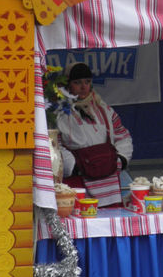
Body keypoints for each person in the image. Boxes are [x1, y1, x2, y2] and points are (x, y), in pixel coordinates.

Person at [56, 63, 133, 207]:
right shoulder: (59, 114)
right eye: (77, 82)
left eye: (87, 82)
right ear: (67, 84)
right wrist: (73, 166)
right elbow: (55, 145)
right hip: (78, 179)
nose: (83, 87)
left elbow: (122, 136)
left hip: (109, 176)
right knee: (83, 218)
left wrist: (121, 159)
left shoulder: (104, 109)